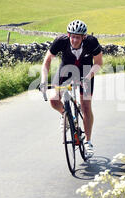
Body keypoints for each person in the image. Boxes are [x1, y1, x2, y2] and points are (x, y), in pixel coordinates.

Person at [39, 20, 103, 158]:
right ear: (68, 35)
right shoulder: (61, 41)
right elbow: (47, 61)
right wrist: (44, 81)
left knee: (86, 106)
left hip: (86, 71)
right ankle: (66, 115)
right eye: (72, 36)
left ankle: (88, 142)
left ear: (83, 37)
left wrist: (87, 78)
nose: (74, 40)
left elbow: (98, 63)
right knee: (53, 99)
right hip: (65, 70)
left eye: (78, 37)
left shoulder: (92, 42)